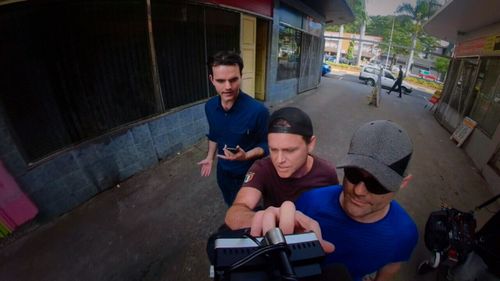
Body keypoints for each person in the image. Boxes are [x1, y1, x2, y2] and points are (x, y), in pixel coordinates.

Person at [250, 120, 418, 281]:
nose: (359, 191)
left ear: (403, 183)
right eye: (353, 174)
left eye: (377, 184)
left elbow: (389, 271)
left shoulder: (405, 234)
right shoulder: (310, 201)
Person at [225, 107, 339, 230]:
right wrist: (269, 220)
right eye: (273, 150)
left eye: (289, 150)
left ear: (310, 144)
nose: (279, 160)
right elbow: (236, 212)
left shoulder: (327, 173)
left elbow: (334, 211)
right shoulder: (262, 169)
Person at [198, 51, 269, 206]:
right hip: (223, 173)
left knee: (248, 217)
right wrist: (210, 157)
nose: (228, 87)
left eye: (233, 79)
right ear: (212, 80)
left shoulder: (258, 111)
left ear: (241, 76)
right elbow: (214, 134)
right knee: (231, 205)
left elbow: (268, 145)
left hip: (249, 176)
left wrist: (247, 155)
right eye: (221, 81)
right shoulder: (209, 107)